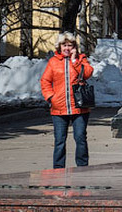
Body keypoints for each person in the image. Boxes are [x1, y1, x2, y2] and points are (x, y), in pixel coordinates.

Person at [40, 32, 93, 169]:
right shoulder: (53, 62)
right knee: (59, 141)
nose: (67, 48)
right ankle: (58, 168)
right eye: (64, 45)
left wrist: (75, 61)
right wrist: (51, 97)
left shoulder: (81, 59)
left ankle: (82, 167)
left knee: (80, 138)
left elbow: (87, 73)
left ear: (74, 47)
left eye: (70, 45)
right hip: (59, 108)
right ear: (59, 46)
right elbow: (45, 81)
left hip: (79, 107)